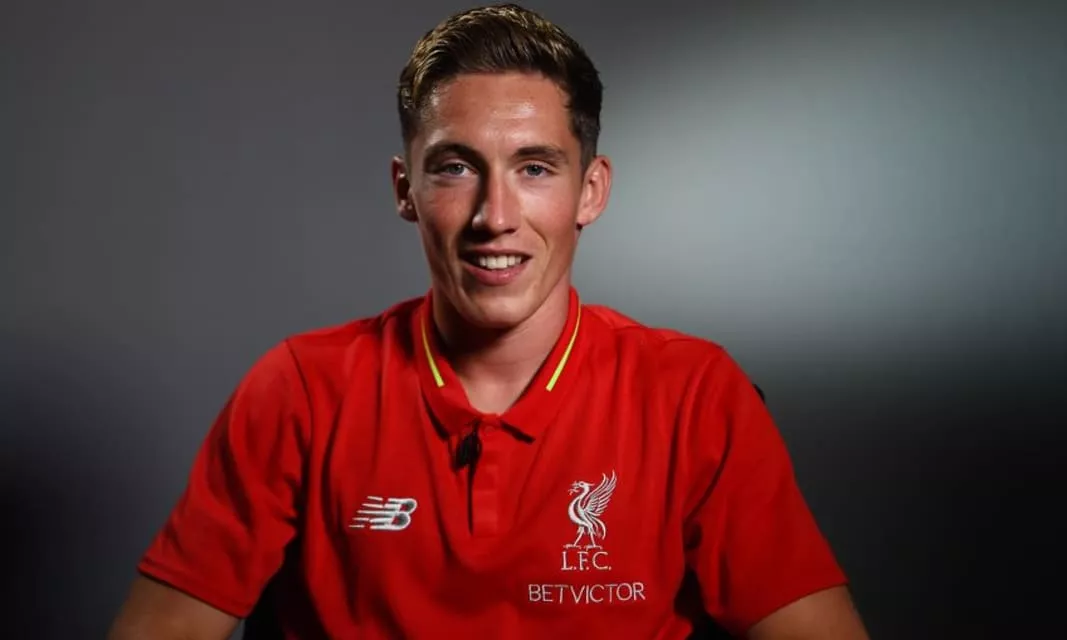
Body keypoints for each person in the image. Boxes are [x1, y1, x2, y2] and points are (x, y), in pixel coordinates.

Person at [108, 4, 870, 639]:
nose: (494, 216)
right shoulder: (300, 390)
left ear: (590, 191)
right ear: (405, 190)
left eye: (534, 168)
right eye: (455, 167)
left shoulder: (693, 394)